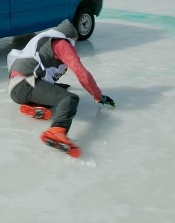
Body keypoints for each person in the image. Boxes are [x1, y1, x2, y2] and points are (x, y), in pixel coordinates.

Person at [6, 19, 115, 158]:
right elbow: (82, 73)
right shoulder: (62, 44)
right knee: (69, 98)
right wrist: (98, 96)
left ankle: (35, 106)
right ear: (70, 37)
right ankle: (57, 131)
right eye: (75, 41)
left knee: (61, 91)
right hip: (25, 84)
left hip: (16, 88)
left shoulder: (46, 39)